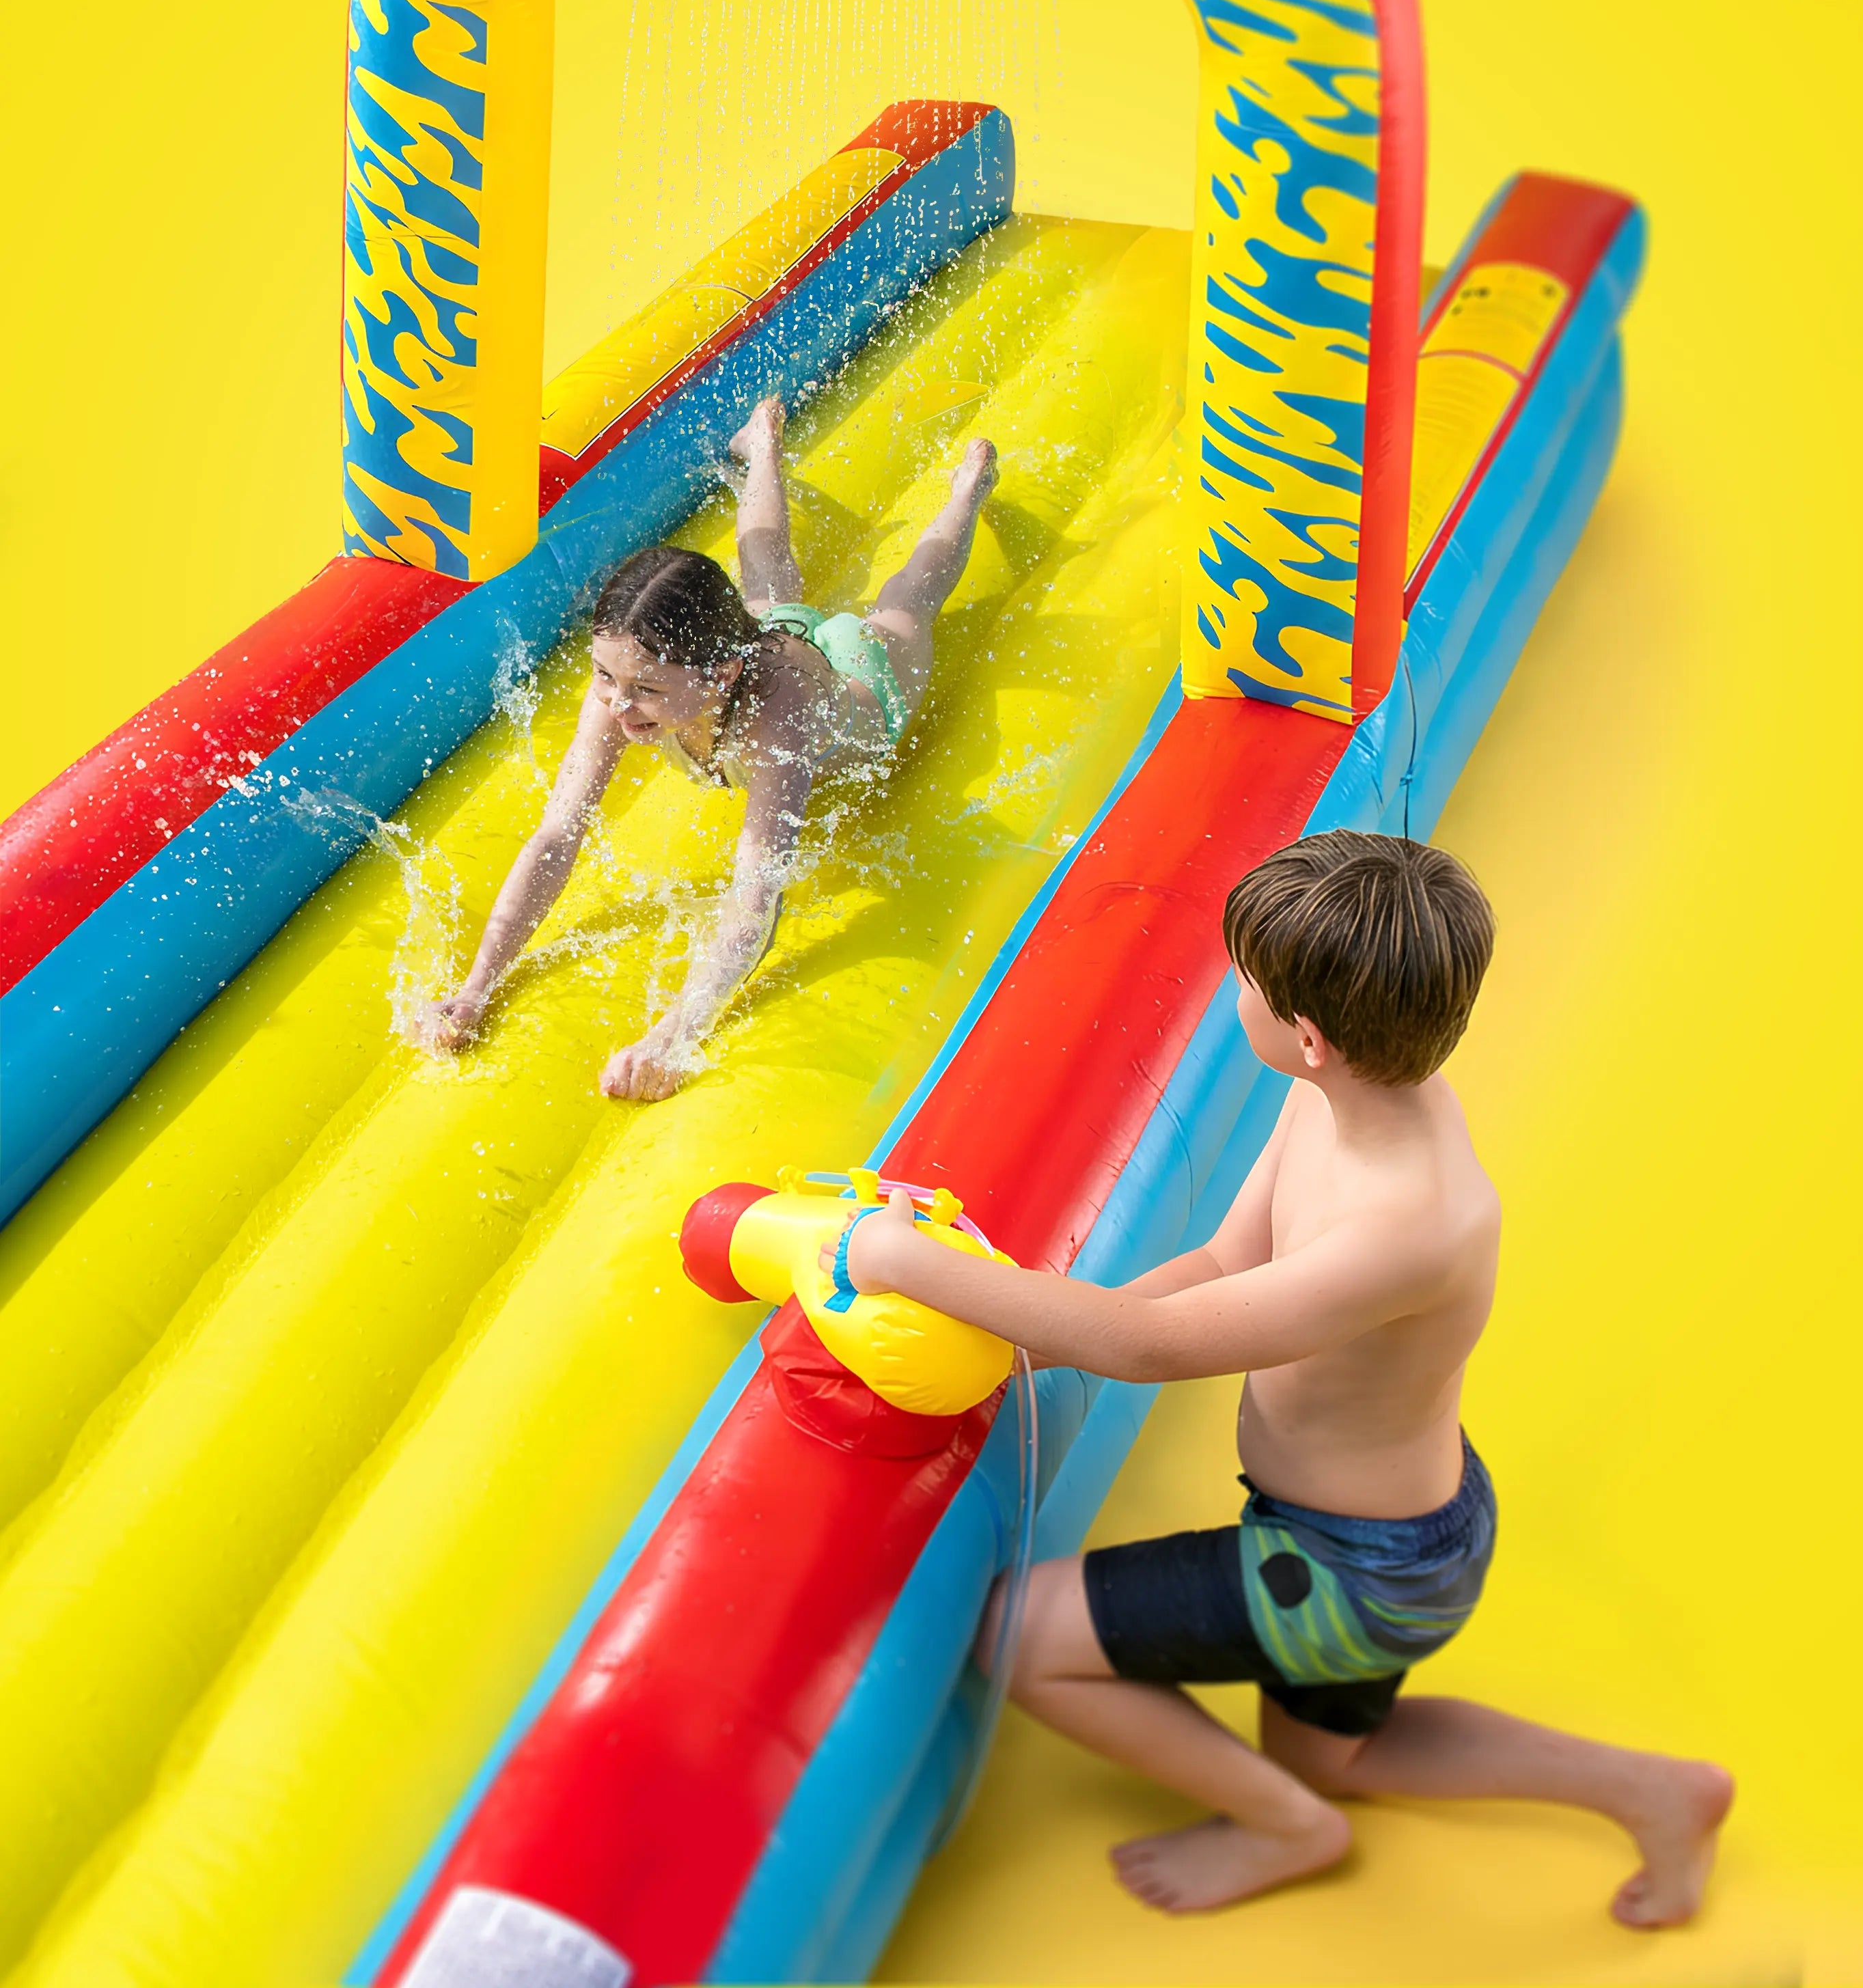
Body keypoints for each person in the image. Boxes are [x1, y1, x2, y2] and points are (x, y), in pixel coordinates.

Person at [823, 831, 1733, 1924]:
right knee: (1338, 1753)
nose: (1228, 991)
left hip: (1342, 1569)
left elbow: (1148, 1350)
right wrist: (1031, 1334)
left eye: (1242, 981)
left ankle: (1283, 1826)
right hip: (1400, 1530)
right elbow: (1219, 1265)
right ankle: (1652, 1791)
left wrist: (901, 1262)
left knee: (1015, 1634)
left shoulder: (1405, 1227)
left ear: (1304, 1035)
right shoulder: (1354, 1090)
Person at [415, 397, 998, 1098]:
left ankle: (970, 485)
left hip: (863, 683)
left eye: (644, 690)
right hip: (760, 636)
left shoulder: (777, 727)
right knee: (764, 582)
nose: (619, 707)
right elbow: (556, 835)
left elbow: (756, 896)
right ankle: (762, 445)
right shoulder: (634, 682)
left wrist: (674, 1034)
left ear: (718, 672)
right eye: (605, 675)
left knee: (905, 601)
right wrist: (476, 988)